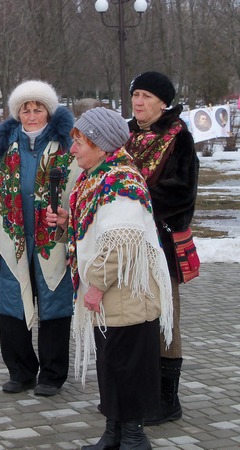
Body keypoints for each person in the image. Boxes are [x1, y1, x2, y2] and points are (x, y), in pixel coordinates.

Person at [48, 107, 173, 449]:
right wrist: (65, 225)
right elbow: (95, 230)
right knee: (112, 364)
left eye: (79, 142)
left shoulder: (121, 180)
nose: (72, 150)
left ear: (101, 145)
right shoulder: (97, 177)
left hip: (125, 294)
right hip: (112, 296)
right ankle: (114, 433)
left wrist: (97, 285)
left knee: (127, 365)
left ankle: (134, 438)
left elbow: (123, 241)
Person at [0, 80, 80, 396]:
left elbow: (80, 192)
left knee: (55, 309)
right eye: (25, 110)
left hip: (53, 242)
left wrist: (68, 226)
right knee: (12, 307)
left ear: (49, 111)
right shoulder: (3, 150)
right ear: (17, 113)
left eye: (38, 109)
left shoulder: (66, 147)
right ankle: (20, 372)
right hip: (11, 243)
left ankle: (52, 375)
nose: (31, 116)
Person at [125, 71, 199, 426]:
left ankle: (168, 400)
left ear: (162, 102)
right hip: (124, 243)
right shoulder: (124, 134)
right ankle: (141, 391)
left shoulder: (178, 137)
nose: (138, 102)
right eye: (135, 94)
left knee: (165, 319)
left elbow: (182, 192)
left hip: (162, 243)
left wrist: (133, 198)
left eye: (146, 96)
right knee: (134, 318)